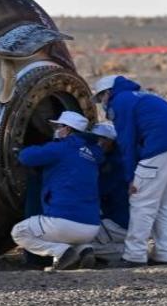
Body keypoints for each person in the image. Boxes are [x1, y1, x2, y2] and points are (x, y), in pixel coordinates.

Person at [91, 74, 167, 267]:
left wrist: (130, 176)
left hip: (159, 150)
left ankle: (134, 255)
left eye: (100, 98)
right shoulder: (143, 96)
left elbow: (126, 141)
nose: (101, 104)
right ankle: (164, 253)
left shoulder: (120, 102)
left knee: (142, 203)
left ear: (108, 93)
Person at [11, 111, 103, 270]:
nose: (56, 129)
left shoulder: (61, 148)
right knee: (66, 233)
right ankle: (84, 250)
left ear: (67, 129)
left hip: (63, 223)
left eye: (59, 126)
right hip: (92, 227)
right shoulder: (93, 154)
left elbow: (27, 157)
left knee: (19, 232)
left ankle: (62, 252)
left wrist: (21, 150)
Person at [89, 122, 128, 260]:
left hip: (119, 224)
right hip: (123, 223)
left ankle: (123, 251)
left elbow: (98, 191)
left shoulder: (114, 165)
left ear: (109, 141)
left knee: (79, 238)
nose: (97, 143)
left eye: (100, 139)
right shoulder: (120, 159)